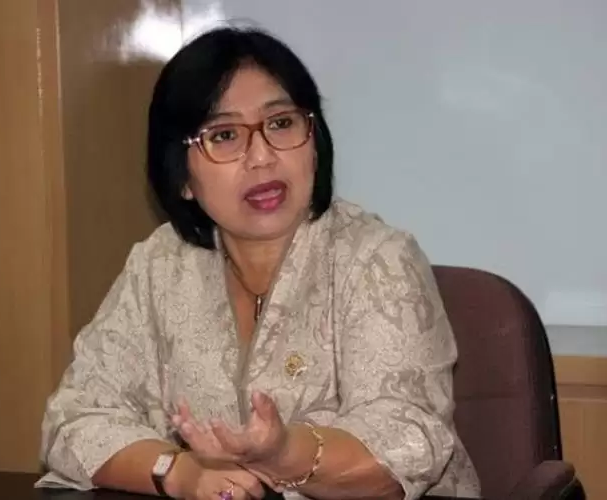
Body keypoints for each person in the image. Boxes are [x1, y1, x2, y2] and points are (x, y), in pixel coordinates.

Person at [37, 26, 481, 500]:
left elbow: (409, 443)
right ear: (181, 176)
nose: (263, 156)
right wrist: (179, 472)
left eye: (281, 123)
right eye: (225, 135)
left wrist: (284, 452)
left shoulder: (378, 260)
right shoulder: (160, 266)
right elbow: (74, 419)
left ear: (314, 142)